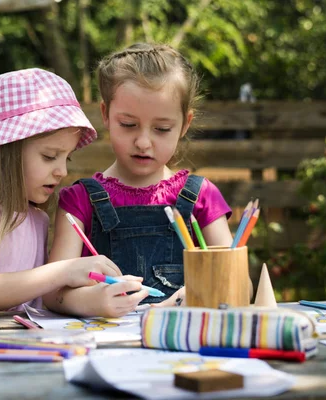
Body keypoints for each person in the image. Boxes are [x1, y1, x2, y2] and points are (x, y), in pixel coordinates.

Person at [0, 68, 141, 319]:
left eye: (67, 158)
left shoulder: (37, 219)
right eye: (49, 156)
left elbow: (34, 295)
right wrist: (64, 271)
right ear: (6, 152)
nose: (62, 171)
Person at [43, 43, 234, 317]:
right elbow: (52, 293)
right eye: (129, 125)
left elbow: (236, 282)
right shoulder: (79, 200)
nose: (143, 142)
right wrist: (92, 301)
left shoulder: (202, 196)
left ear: (185, 124)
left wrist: (200, 294)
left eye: (162, 129)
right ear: (106, 115)